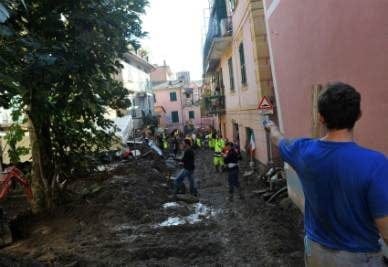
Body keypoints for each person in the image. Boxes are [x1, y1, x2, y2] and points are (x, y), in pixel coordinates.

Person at [264, 82, 388, 266]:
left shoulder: (302, 151)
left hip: (316, 252)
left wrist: (269, 125)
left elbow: (278, 139)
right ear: (358, 116)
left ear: (321, 118)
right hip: (360, 258)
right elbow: (386, 230)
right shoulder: (376, 163)